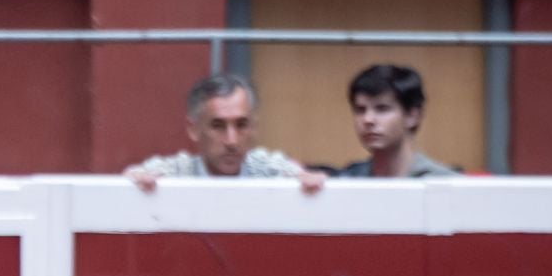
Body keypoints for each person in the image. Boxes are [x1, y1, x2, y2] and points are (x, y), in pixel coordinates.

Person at [125, 74, 324, 194]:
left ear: (254, 127)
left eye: (242, 125)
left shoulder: (272, 170)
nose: (232, 141)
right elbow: (133, 179)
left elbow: (299, 174)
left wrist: (306, 179)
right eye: (218, 126)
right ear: (194, 130)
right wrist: (135, 183)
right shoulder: (174, 173)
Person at [335, 64, 458, 178]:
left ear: (412, 116)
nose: (367, 120)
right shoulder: (348, 179)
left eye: (382, 109)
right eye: (360, 110)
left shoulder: (444, 182)